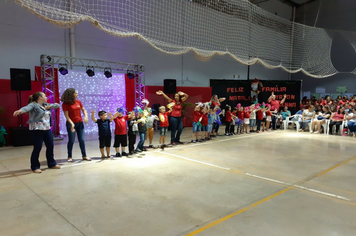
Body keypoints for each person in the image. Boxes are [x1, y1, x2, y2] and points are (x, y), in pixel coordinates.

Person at [13, 92, 60, 173]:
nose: (46, 97)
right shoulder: (33, 105)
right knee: (37, 148)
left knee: (50, 146)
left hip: (47, 129)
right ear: (39, 98)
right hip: (37, 130)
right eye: (44, 96)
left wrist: (50, 106)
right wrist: (20, 111)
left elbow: (57, 105)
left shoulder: (45, 104)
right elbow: (26, 108)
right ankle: (35, 167)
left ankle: (51, 163)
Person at [61, 88, 90, 162]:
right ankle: (69, 156)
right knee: (71, 140)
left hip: (80, 123)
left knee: (82, 140)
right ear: (71, 94)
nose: (77, 94)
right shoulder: (65, 104)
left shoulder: (78, 101)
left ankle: (84, 155)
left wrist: (86, 116)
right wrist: (72, 124)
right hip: (71, 124)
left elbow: (83, 110)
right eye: (76, 93)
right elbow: (66, 116)